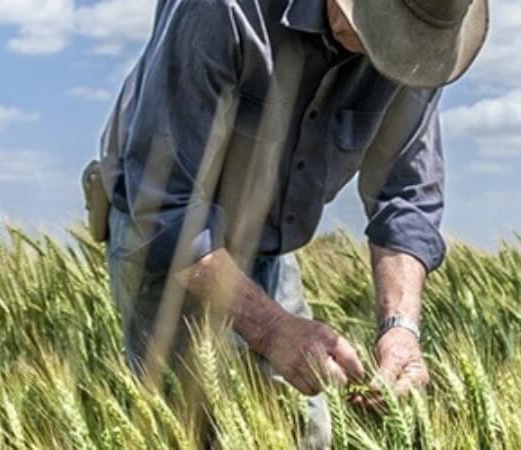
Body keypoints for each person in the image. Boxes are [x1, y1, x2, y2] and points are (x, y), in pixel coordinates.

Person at [97, 0, 488, 447]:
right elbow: (166, 207)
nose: (387, 53)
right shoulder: (223, 10)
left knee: (307, 433)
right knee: (188, 432)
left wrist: (401, 328)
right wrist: (272, 329)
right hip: (166, 241)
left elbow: (406, 198)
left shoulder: (419, 51)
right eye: (381, 30)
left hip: (269, 244)